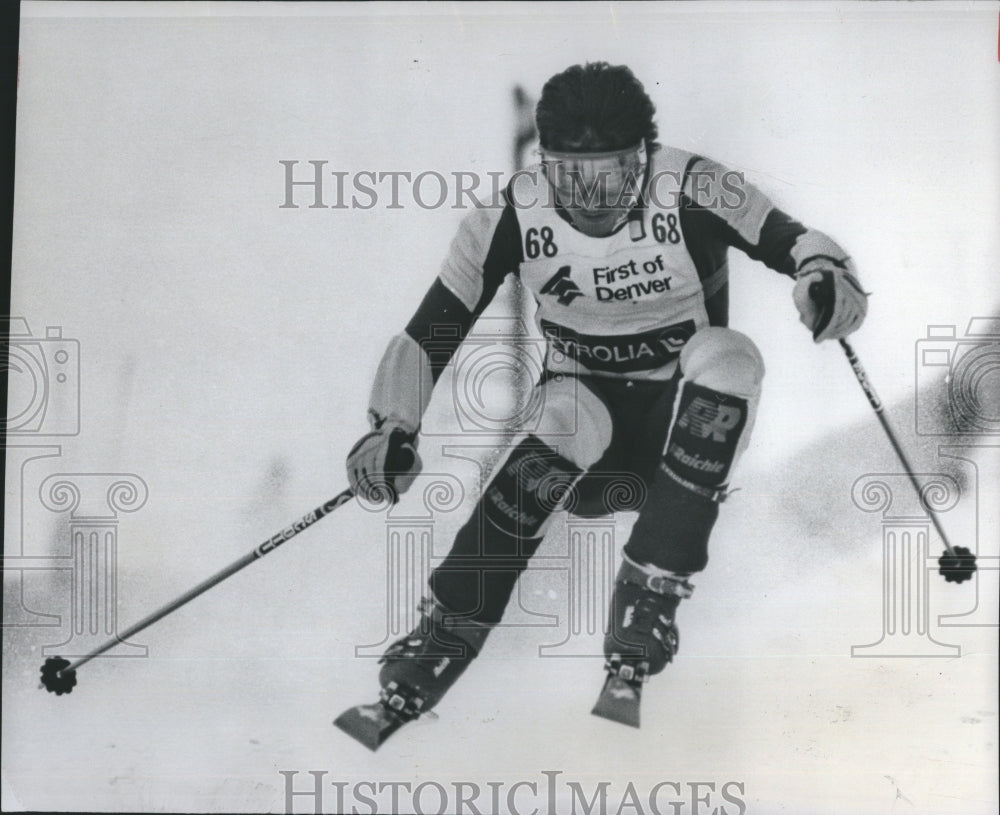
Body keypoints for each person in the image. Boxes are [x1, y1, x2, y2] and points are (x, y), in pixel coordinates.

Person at [345, 62, 867, 723]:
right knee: (562, 417)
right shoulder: (511, 213)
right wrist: (393, 424)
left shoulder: (694, 184)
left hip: (679, 427)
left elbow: (793, 241)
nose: (592, 200)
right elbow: (432, 328)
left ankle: (650, 590)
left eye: (613, 174)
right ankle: (447, 625)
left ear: (645, 159)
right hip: (587, 434)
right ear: (543, 163)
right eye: (570, 176)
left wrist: (824, 276)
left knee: (731, 356)